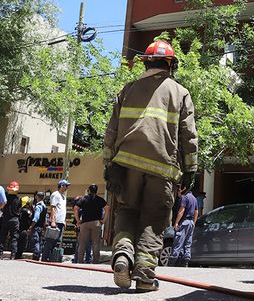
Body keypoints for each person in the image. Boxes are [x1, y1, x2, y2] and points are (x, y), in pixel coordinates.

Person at [104, 40, 198, 292]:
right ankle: (145, 278)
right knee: (153, 219)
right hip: (161, 168)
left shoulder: (127, 90)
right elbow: (188, 136)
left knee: (127, 212)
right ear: (170, 64)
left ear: (146, 62)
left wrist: (109, 164)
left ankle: (123, 255)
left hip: (125, 167)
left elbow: (111, 131)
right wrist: (191, 169)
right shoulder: (180, 92)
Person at [74, 184, 108, 265]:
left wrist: (78, 221)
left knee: (82, 243)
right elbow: (107, 208)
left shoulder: (83, 199)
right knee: (96, 243)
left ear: (88, 190)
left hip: (85, 223)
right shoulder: (100, 199)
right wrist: (104, 220)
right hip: (96, 223)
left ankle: (80, 261)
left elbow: (75, 208)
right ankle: (95, 261)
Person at [167, 183, 198, 267]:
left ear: (184, 188)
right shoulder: (194, 198)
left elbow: (181, 211)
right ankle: (185, 260)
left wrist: (176, 222)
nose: (178, 191)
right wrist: (194, 223)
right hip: (191, 222)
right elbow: (196, 212)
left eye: (179, 189)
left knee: (178, 241)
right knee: (188, 242)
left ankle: (172, 261)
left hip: (184, 222)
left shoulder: (184, 197)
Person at [41, 179, 69, 261]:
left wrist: (64, 221)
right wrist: (53, 221)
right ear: (62, 186)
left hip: (61, 222)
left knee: (57, 241)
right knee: (50, 241)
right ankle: (45, 258)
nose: (67, 187)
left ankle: (52, 258)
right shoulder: (55, 195)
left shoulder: (63, 197)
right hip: (56, 221)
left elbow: (62, 209)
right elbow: (53, 208)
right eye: (66, 186)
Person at [0, 180, 22, 259]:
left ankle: (0, 255)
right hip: (15, 220)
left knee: (3, 237)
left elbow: (1, 206)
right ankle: (13, 255)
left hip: (5, 219)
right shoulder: (19, 199)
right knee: (14, 238)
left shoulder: (5, 198)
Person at [28, 191, 47, 260]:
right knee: (39, 242)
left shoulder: (38, 206)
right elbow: (45, 218)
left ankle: (36, 256)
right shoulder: (44, 206)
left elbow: (36, 218)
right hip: (41, 227)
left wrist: (31, 226)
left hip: (36, 227)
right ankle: (38, 255)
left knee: (35, 241)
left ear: (37, 197)